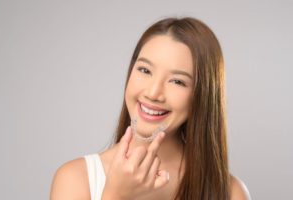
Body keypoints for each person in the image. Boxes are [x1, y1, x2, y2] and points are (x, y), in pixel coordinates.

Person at [50, 17, 251, 200]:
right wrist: (116, 195)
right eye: (145, 70)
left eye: (177, 81)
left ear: (202, 96)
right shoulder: (75, 179)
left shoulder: (231, 193)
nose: (153, 93)